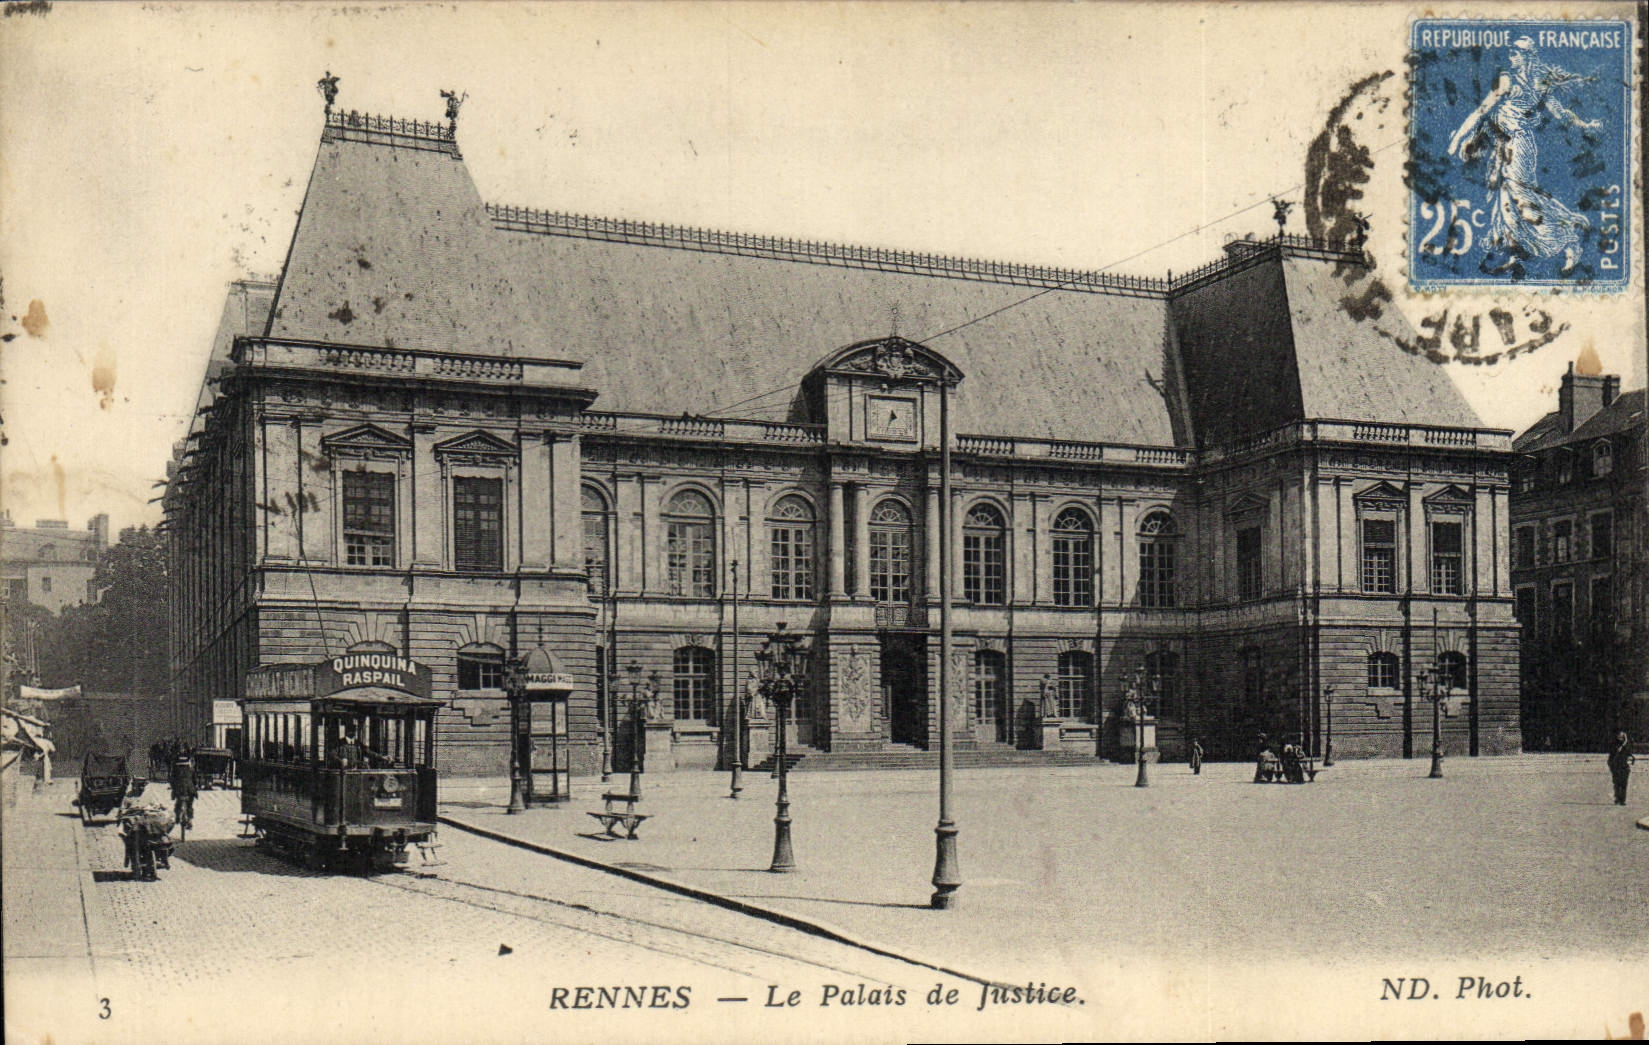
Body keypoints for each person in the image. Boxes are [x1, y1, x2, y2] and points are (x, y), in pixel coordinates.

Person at [1446, 36, 1602, 275]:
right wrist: (1458, 137)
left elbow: (1561, 113)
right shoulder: (1509, 80)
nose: (1511, 57)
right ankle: (1515, 252)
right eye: (1511, 53)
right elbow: (1483, 111)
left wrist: (1585, 125)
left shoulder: (1537, 84)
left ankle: (1568, 239)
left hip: (1519, 146)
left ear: (1528, 56)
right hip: (1502, 144)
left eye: (1516, 53)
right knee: (1505, 201)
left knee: (1521, 196)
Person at [169, 754, 198, 829]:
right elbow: (195, 781)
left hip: (179, 790)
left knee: (178, 803)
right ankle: (190, 820)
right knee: (190, 805)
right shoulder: (191, 769)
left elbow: (172, 780)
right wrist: (195, 787)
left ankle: (177, 816)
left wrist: (173, 788)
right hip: (190, 790)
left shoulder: (175, 769)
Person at [1606, 732, 1634, 805]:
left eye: (1622, 737)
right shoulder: (1615, 747)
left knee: (1623, 784)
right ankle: (1617, 798)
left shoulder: (1626, 747)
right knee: (1617, 784)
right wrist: (1612, 768)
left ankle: (1622, 800)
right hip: (1616, 768)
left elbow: (1631, 756)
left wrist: (1631, 761)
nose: (1621, 739)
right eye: (1619, 737)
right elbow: (1610, 759)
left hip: (1625, 768)